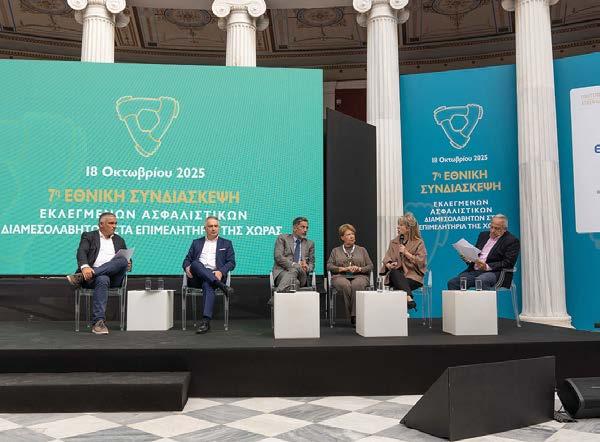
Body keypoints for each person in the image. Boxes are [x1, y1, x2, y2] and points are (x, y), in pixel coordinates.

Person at [66, 212, 131, 335]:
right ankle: (98, 323)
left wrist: (128, 264)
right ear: (101, 224)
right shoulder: (89, 236)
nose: (114, 226)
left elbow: (126, 257)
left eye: (115, 223)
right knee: (103, 278)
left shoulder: (119, 240)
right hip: (91, 279)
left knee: (122, 260)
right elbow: (81, 252)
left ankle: (81, 277)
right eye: (111, 223)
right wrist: (85, 267)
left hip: (114, 278)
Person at [182, 216, 235, 334]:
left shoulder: (226, 243)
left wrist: (221, 271)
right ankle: (221, 286)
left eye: (216, 226)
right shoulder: (196, 243)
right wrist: (187, 267)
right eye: (210, 226)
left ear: (219, 227)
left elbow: (231, 262)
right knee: (195, 263)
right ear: (205, 228)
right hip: (197, 277)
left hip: (216, 275)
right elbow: (186, 260)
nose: (213, 228)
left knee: (208, 283)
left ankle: (205, 322)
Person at [447, 214, 520, 290]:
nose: (492, 231)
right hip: (475, 271)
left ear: (505, 229)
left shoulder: (512, 241)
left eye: (496, 228)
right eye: (491, 227)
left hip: (496, 273)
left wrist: (486, 266)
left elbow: (508, 263)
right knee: (453, 282)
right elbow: (476, 254)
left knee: (481, 280)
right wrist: (468, 259)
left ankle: (484, 298)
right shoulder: (483, 235)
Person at [327, 224, 374, 325]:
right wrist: (343, 269)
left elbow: (370, 266)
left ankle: (354, 316)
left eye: (353, 234)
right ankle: (354, 315)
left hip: (360, 276)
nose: (352, 236)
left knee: (357, 285)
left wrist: (360, 269)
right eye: (348, 234)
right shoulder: (335, 251)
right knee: (346, 285)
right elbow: (329, 266)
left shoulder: (362, 250)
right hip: (340, 276)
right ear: (342, 237)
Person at [380, 213, 427, 310]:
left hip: (413, 276)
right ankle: (409, 298)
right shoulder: (393, 242)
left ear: (408, 228)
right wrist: (389, 265)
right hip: (396, 275)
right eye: (398, 224)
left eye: (401, 225)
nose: (398, 227)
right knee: (394, 273)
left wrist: (407, 253)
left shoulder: (419, 242)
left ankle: (401, 311)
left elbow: (421, 261)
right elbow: (387, 258)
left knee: (398, 287)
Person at [272, 216, 315, 292]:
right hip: (282, 273)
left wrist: (307, 268)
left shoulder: (310, 244)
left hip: (301, 274)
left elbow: (312, 263)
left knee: (295, 270)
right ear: (295, 228)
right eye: (303, 227)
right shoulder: (283, 238)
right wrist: (294, 265)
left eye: (307, 228)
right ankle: (281, 295)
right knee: (295, 282)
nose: (305, 230)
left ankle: (277, 295)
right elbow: (278, 257)